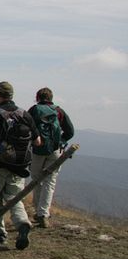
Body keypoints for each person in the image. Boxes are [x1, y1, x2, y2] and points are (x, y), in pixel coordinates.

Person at [0, 82, 42, 250]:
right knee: (14, 197)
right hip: (19, 166)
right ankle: (22, 223)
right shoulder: (25, 115)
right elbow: (37, 141)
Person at [28, 87, 74, 228]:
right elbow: (70, 131)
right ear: (51, 97)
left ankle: (38, 211)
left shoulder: (34, 110)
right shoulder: (59, 111)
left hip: (37, 149)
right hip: (55, 150)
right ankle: (43, 213)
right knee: (50, 181)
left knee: (36, 180)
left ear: (37, 97)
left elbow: (27, 128)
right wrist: (60, 141)